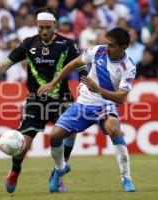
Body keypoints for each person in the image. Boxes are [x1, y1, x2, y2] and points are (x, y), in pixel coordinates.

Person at [0, 7, 83, 193]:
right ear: (36, 25)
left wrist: (86, 84)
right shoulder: (28, 44)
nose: (44, 31)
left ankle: (59, 172)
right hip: (35, 102)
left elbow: (81, 67)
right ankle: (15, 170)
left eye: (48, 27)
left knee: (70, 131)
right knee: (22, 146)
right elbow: (5, 64)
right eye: (41, 27)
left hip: (62, 99)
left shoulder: (67, 44)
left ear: (55, 25)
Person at [37, 27, 136, 193]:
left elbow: (120, 97)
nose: (107, 47)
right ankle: (60, 169)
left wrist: (99, 91)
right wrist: (53, 83)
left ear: (123, 47)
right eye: (106, 43)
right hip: (83, 104)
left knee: (114, 129)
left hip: (105, 105)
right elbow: (75, 63)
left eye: (111, 45)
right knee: (54, 136)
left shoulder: (128, 67)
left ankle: (126, 178)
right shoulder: (98, 51)